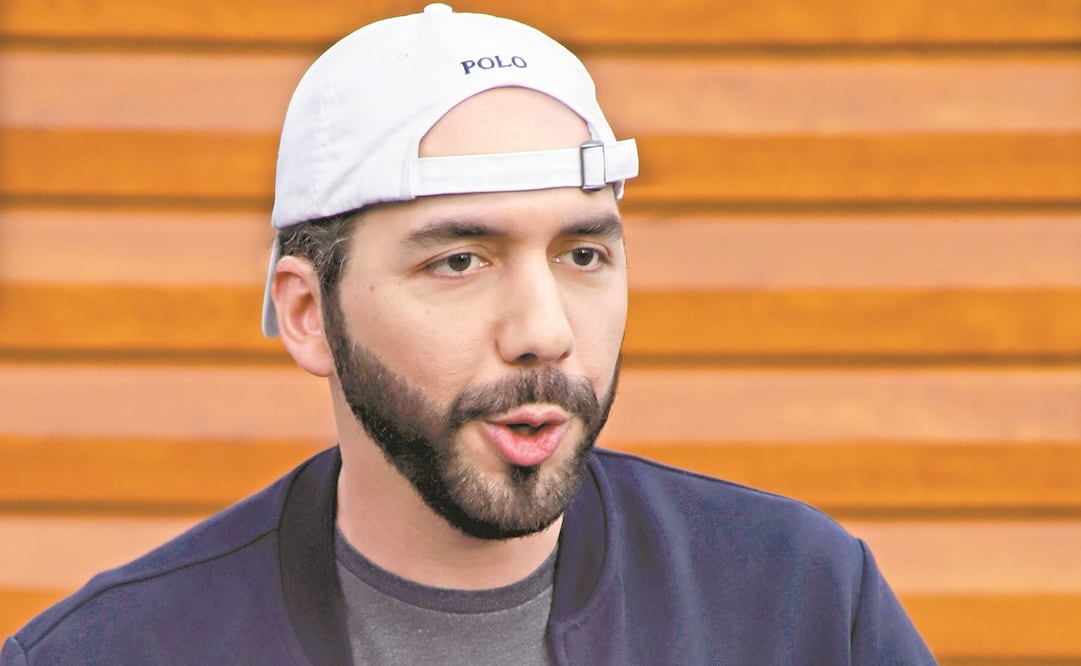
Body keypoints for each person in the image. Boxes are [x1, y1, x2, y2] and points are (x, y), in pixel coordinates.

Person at [2, 4, 935, 664]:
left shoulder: (797, 604)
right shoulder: (116, 652)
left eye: (582, 256)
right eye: (458, 262)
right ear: (305, 312)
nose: (543, 333)